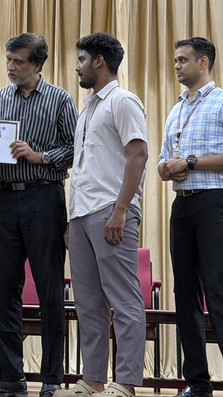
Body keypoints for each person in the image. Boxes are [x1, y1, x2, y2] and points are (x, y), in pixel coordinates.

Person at [0, 33, 77, 397]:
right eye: (8, 60)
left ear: (38, 64)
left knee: (50, 290)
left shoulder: (60, 100)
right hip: (3, 199)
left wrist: (41, 156)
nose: (11, 67)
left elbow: (76, 148)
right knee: (4, 290)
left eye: (18, 61)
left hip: (44, 197)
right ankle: (10, 377)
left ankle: (52, 379)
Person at [157, 37, 223, 397]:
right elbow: (164, 159)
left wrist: (191, 162)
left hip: (216, 202)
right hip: (182, 203)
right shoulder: (176, 108)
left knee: (217, 287)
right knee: (185, 292)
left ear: (203, 62)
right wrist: (166, 168)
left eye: (183, 60)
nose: (177, 66)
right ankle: (196, 382)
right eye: (175, 60)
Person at [57, 34, 148, 397]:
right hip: (82, 215)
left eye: (81, 59)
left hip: (112, 211)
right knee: (88, 303)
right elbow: (84, 167)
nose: (77, 66)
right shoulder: (88, 108)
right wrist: (72, 219)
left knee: (123, 300)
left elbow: (137, 155)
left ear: (98, 61)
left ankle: (125, 382)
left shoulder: (123, 101)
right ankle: (92, 379)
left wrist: (121, 209)